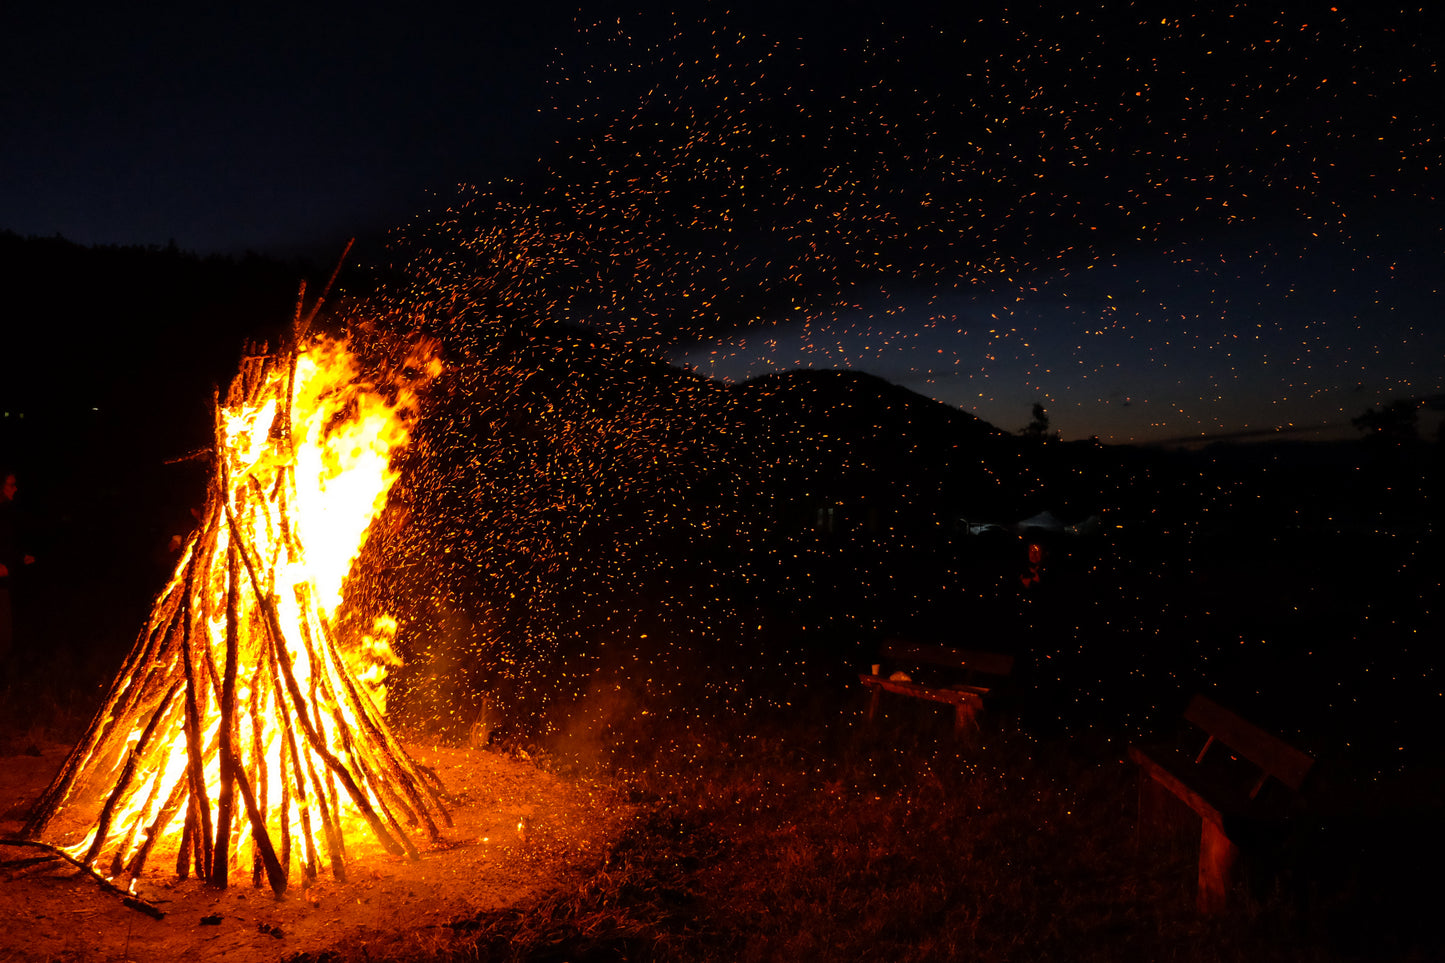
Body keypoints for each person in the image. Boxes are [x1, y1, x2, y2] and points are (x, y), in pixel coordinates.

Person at [0, 469, 37, 670]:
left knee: (7, 629)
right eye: (10, 484)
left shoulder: (8, 511)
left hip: (8, 579)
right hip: (1, 580)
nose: (15, 488)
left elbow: (7, 544)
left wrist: (21, 558)